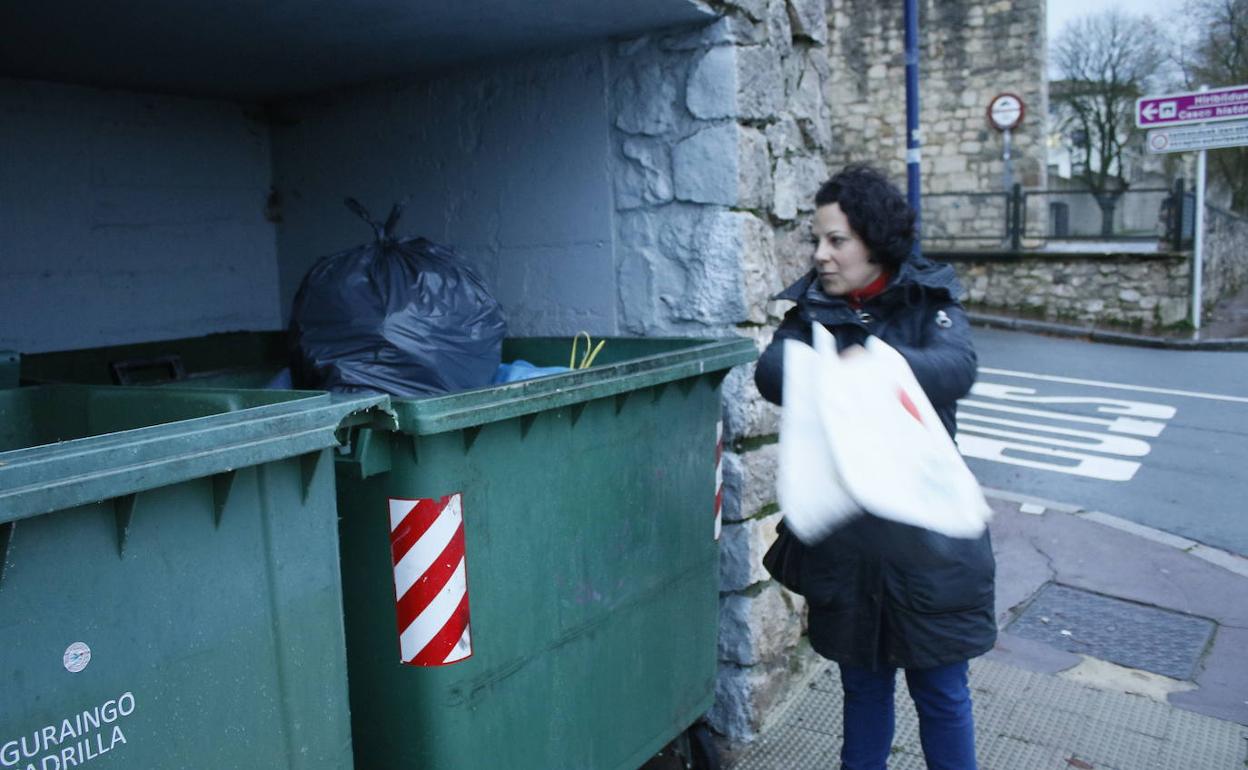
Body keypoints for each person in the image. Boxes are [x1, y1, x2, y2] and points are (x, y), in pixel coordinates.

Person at [754, 164, 996, 770]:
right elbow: (773, 371)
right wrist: (835, 373)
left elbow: (955, 367)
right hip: (850, 550)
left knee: (940, 693)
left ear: (874, 241)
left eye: (837, 240)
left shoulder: (929, 301)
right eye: (817, 240)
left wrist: (872, 368)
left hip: (928, 546)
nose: (821, 255)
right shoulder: (810, 309)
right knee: (863, 691)